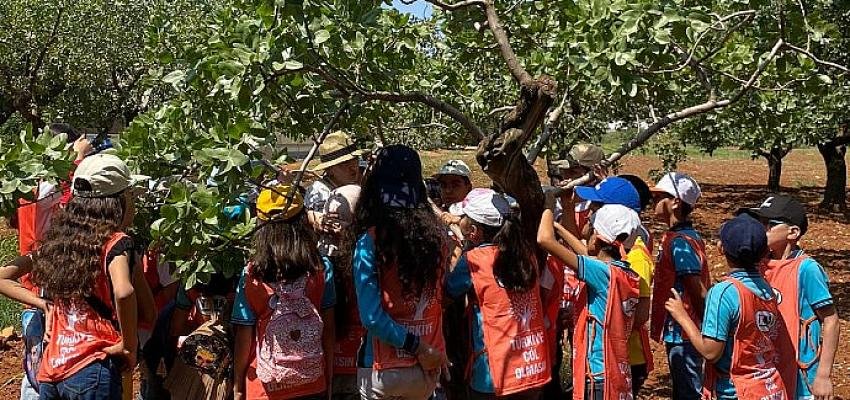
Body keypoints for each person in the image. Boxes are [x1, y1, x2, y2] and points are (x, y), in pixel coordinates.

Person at [0, 154, 147, 399]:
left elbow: (3, 276)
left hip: (52, 370)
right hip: (92, 367)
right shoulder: (117, 243)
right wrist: (129, 346)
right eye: (130, 195)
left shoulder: (58, 244)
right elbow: (124, 291)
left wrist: (44, 305)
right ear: (118, 202)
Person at [352, 145, 448, 400]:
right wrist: (432, 351)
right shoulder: (438, 239)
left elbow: (371, 317)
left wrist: (417, 347)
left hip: (382, 371)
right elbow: (436, 303)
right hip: (426, 370)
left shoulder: (369, 242)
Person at [665, 213, 795, 399]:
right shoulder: (767, 288)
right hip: (769, 387)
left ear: (721, 248)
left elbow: (711, 352)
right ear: (764, 251)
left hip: (736, 390)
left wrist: (682, 316)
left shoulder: (723, 293)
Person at [231, 184, 336, 400]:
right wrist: (329, 376)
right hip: (312, 382)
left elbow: (244, 335)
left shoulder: (253, 274)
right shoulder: (320, 268)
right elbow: (329, 327)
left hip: (263, 386)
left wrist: (238, 383)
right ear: (302, 221)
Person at [445, 189, 549, 399]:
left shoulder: (474, 259)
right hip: (532, 367)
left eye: (464, 218)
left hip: (493, 374)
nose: (461, 221)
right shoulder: (526, 254)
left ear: (474, 230)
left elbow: (446, 294)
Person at [738, 195, 840, 399]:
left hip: (801, 375)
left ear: (793, 232)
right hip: (767, 373)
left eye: (767, 225)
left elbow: (831, 320)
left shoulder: (807, 269)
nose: (760, 230)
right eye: (758, 224)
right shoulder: (758, 265)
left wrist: (823, 375)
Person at [538, 200, 641, 400]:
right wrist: (558, 227)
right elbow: (587, 254)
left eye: (592, 230)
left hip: (596, 375)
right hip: (614, 371)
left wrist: (548, 204)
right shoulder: (624, 271)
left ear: (599, 238)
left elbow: (544, 239)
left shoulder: (602, 273)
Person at [574, 177, 654, 397]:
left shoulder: (634, 259)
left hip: (621, 359)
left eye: (597, 206)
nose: (590, 211)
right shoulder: (620, 253)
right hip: (613, 361)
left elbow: (639, 315)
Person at [648, 172, 709, 400]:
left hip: (684, 332)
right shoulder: (679, 237)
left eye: (659, 197)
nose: (653, 201)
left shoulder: (680, 243)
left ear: (675, 202)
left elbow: (697, 289)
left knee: (689, 391)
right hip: (681, 331)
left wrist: (708, 329)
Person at [305, 130, 365, 245]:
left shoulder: (364, 179)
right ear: (329, 170)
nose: (352, 168)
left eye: (354, 160)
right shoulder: (320, 191)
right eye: (344, 164)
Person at [548, 143, 605, 234]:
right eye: (564, 171)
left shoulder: (600, 205)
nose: (567, 177)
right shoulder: (557, 201)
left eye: (573, 172)